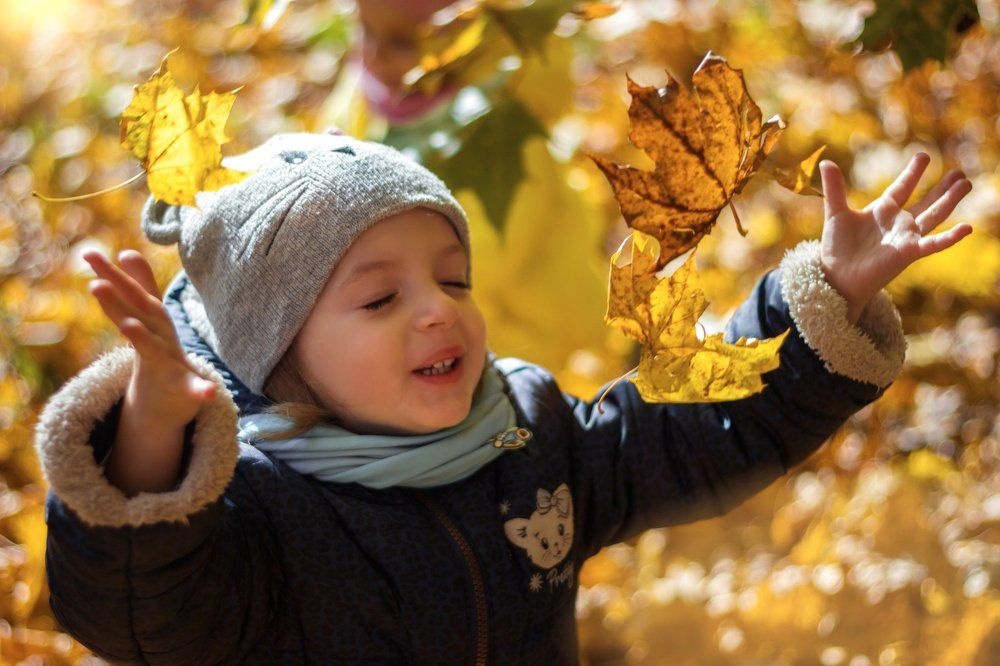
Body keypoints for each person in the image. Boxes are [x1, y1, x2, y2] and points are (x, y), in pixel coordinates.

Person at [34, 131, 971, 664]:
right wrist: (155, 425)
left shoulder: (525, 434)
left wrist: (821, 305)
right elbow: (139, 614)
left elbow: (688, 433)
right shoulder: (259, 512)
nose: (438, 312)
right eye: (379, 296)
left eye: (453, 279)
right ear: (279, 355)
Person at [318, 0, 619, 392]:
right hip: (440, 319)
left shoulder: (496, 134)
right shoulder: (372, 94)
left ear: (462, 37)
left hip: (534, 333)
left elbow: (481, 263)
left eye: (401, 43)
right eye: (365, 32)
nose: (375, 56)